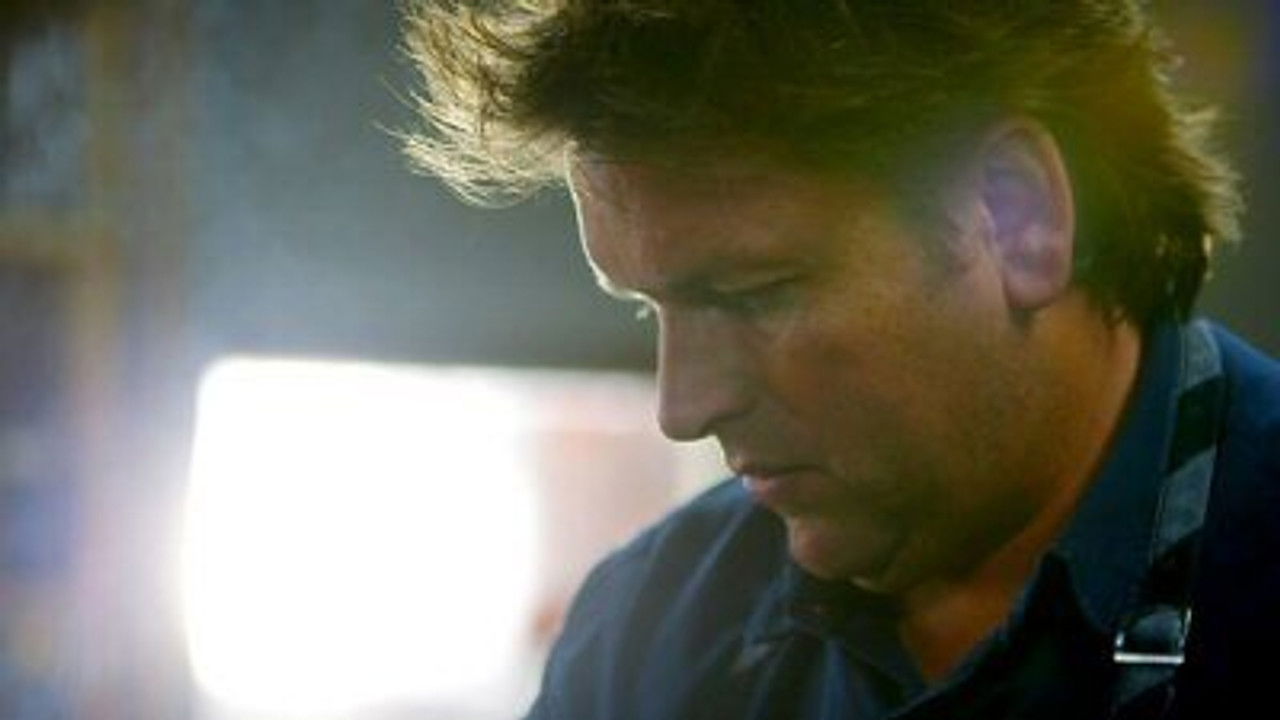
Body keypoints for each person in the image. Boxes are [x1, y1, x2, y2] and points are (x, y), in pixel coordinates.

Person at [402, 1, 1280, 718]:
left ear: (1015, 216)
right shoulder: (649, 633)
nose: (683, 408)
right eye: (647, 305)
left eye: (753, 294)